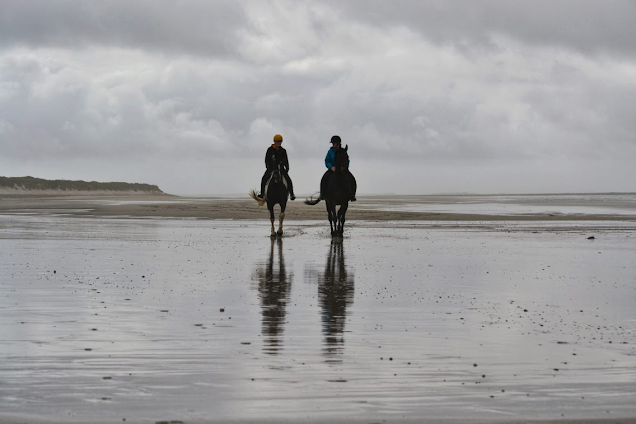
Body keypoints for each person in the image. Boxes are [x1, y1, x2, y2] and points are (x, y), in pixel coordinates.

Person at [259, 134, 296, 200]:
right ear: (274, 142)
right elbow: (266, 159)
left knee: (288, 180)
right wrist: (268, 167)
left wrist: (287, 168)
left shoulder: (283, 151)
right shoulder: (270, 150)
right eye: (277, 141)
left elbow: (286, 160)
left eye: (280, 141)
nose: (279, 143)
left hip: (281, 169)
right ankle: (262, 194)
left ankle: (292, 194)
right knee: (264, 178)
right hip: (271, 169)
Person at [321, 135, 357, 201]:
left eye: (334, 143)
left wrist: (344, 167)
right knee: (324, 178)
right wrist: (331, 167)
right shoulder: (330, 151)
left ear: (338, 143)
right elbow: (327, 161)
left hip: (342, 170)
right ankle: (322, 194)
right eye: (332, 143)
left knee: (352, 179)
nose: (333, 144)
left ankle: (352, 195)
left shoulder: (343, 151)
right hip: (333, 169)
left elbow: (347, 160)